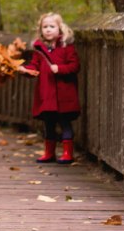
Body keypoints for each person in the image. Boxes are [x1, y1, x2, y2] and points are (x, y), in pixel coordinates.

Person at [19, 12, 81, 164]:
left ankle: (67, 153)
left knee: (65, 122)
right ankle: (49, 152)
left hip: (64, 94)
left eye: (52, 26)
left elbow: (75, 66)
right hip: (46, 94)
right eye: (45, 27)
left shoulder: (67, 47)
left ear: (60, 29)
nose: (48, 30)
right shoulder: (39, 49)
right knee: (49, 124)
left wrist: (59, 69)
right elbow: (34, 67)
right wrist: (26, 70)